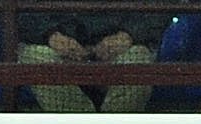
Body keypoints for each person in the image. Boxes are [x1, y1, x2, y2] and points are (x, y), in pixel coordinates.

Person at [17, 11, 158, 114]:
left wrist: (129, 35)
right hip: (55, 49)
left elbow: (156, 11)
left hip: (122, 49)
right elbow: (21, 14)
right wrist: (50, 35)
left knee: (139, 57)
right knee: (37, 56)